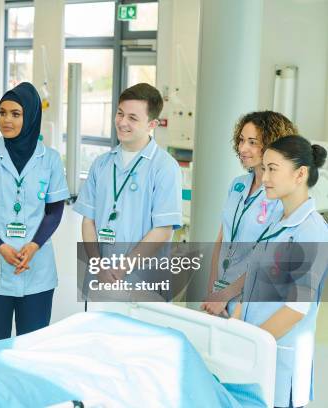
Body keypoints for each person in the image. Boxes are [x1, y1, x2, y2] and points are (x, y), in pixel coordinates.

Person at [0, 82, 70, 342]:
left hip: (36, 264)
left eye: (15, 114)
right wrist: (1, 246)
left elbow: (54, 211)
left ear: (31, 116)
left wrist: (33, 246)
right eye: (2, 112)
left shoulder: (51, 159)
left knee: (33, 344)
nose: (6, 120)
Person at [234, 136, 327, 408]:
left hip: (280, 358)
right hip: (257, 352)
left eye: (273, 169)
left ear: (300, 174)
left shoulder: (311, 231)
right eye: (264, 168)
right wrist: (237, 326)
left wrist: (253, 344)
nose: (264, 177)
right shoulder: (276, 222)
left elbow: (296, 309)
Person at [74, 83, 181, 291]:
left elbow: (163, 230)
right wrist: (97, 266)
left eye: (132, 118)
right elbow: (89, 220)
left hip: (143, 281)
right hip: (100, 278)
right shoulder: (102, 164)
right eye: (120, 113)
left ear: (152, 124)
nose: (122, 122)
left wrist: (121, 270)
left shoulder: (165, 167)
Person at [202, 112, 297, 317]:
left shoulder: (279, 196)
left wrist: (226, 295)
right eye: (242, 140)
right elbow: (221, 239)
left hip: (249, 300)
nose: (243, 148)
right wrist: (212, 291)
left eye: (253, 142)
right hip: (218, 297)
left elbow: (267, 258)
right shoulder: (237, 184)